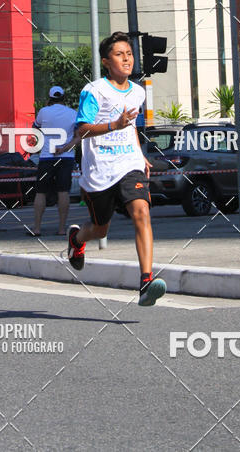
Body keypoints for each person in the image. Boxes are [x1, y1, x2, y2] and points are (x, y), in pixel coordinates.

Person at [65, 31, 167, 307]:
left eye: (129, 54)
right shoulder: (94, 91)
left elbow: (131, 125)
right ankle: (76, 239)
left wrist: (139, 153)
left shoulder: (138, 91)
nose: (127, 59)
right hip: (99, 170)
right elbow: (82, 130)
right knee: (99, 229)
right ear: (106, 61)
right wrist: (113, 125)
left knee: (141, 211)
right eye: (119, 54)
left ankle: (146, 282)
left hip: (128, 164)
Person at [31, 86, 78, 236]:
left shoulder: (44, 112)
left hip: (46, 157)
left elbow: (35, 128)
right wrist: (65, 148)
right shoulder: (73, 113)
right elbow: (79, 135)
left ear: (50, 97)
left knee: (41, 192)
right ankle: (62, 229)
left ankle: (37, 228)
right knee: (63, 191)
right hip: (66, 157)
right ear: (63, 97)